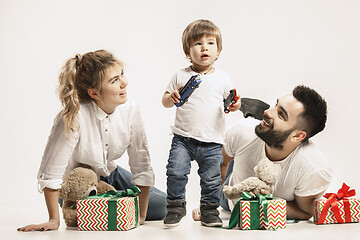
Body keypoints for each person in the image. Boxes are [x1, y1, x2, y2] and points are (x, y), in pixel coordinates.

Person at [18, 49, 166, 232]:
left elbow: (141, 164)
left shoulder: (131, 110)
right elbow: (51, 173)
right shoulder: (74, 116)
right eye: (114, 80)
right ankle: (100, 204)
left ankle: (110, 203)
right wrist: (53, 220)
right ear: (94, 93)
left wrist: (141, 215)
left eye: (122, 75)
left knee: (162, 205)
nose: (124, 83)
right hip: (78, 185)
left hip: (112, 173)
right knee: (105, 204)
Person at [162, 19, 241, 228]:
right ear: (188, 51)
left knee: (212, 180)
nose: (204, 47)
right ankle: (176, 207)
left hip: (212, 141)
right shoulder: (180, 75)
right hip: (183, 139)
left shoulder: (223, 78)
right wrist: (171, 97)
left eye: (210, 43)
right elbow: (165, 100)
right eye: (197, 44)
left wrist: (235, 104)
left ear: (218, 50)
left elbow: (232, 101)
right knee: (176, 172)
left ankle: (209, 210)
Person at [220, 85, 332, 220]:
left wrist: (268, 204)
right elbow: (221, 163)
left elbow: (305, 212)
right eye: (275, 105)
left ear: (297, 136)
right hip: (230, 193)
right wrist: (209, 205)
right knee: (243, 140)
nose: (268, 111)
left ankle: (260, 120)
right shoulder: (240, 130)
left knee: (249, 139)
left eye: (281, 114)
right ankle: (253, 116)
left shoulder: (314, 168)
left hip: (257, 163)